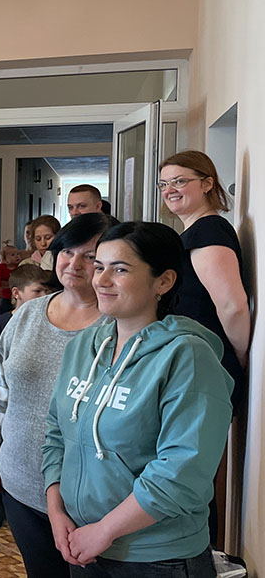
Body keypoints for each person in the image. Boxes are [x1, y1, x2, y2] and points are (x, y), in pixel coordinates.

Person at [41, 221, 232, 576]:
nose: (101, 279)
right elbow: (56, 433)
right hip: (83, 544)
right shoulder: (85, 346)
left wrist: (105, 530)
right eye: (99, 267)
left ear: (164, 281)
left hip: (158, 557)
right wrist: (57, 511)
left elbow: (181, 471)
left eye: (120, 269)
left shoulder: (187, 357)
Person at [0, 212, 115, 578]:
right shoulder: (25, 315)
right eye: (68, 251)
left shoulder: (120, 326)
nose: (75, 263)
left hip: (91, 498)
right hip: (21, 482)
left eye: (91, 255)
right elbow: (0, 392)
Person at [158, 150, 249, 545]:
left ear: (207, 183)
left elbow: (232, 305)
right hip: (197, 363)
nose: (170, 190)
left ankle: (202, 555)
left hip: (210, 365)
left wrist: (240, 358)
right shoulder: (194, 231)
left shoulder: (209, 231)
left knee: (194, 472)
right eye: (164, 184)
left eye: (179, 181)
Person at [0, 263, 52, 529]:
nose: (44, 296)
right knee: (2, 453)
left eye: (46, 290)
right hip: (7, 402)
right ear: (17, 293)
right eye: (38, 291)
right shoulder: (1, 324)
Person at [0, 242, 22, 316]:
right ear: (4, 259)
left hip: (15, 296)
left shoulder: (19, 267)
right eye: (13, 255)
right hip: (4, 295)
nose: (17, 256)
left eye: (18, 254)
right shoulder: (1, 268)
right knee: (3, 312)